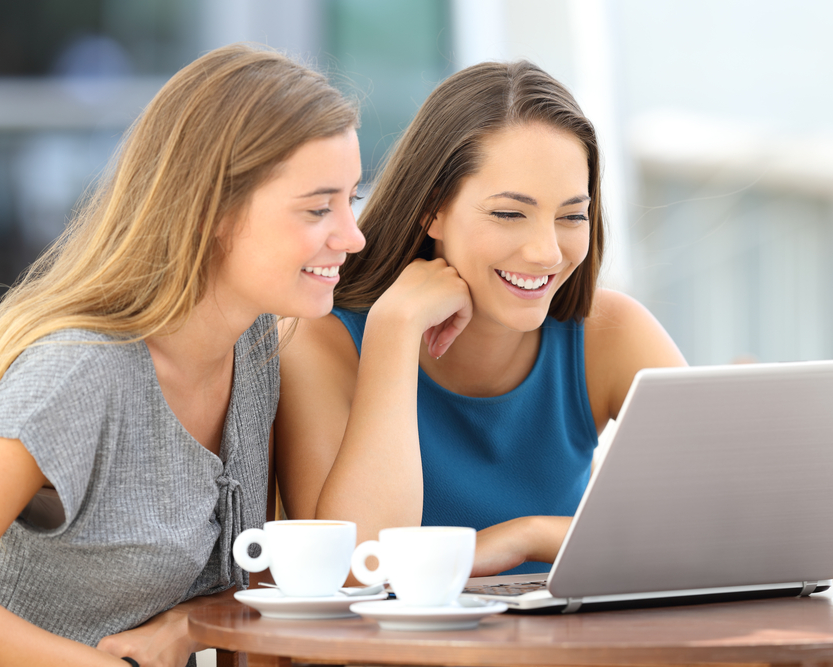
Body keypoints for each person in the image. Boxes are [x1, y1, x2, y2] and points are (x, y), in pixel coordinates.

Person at [0, 44, 364, 667]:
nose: (351, 236)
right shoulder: (83, 372)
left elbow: (258, 582)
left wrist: (193, 624)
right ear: (214, 212)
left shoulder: (252, 350)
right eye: (317, 208)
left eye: (350, 200)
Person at [276, 60, 686, 578]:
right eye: (510, 214)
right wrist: (394, 333)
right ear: (433, 209)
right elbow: (356, 571)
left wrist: (529, 535)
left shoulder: (609, 332)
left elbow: (724, 516)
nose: (546, 253)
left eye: (571, 216)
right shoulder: (319, 338)